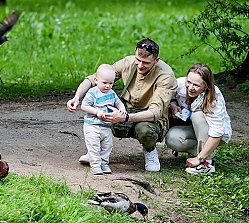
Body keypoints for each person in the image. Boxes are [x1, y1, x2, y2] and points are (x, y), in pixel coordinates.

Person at [67, 38, 177, 172]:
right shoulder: (128, 63)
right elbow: (95, 78)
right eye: (138, 60)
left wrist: (124, 118)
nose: (140, 65)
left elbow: (155, 113)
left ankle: (150, 150)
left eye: (146, 63)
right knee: (100, 114)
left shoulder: (165, 75)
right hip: (126, 108)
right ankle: (95, 152)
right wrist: (77, 97)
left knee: (145, 130)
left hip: (150, 116)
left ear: (156, 60)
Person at [165, 63, 232, 174]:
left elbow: (217, 132)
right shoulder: (179, 84)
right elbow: (168, 95)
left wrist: (199, 158)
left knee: (197, 115)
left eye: (196, 85)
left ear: (206, 86)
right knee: (172, 138)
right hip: (193, 128)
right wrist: (173, 104)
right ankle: (204, 152)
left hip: (214, 134)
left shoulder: (214, 97)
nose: (190, 87)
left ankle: (206, 163)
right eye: (189, 82)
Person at [80, 64, 126, 175]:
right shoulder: (92, 93)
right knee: (94, 146)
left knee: (107, 146)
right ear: (96, 80)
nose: (107, 86)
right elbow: (84, 106)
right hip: (92, 125)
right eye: (104, 83)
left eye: (111, 83)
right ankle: (95, 166)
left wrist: (122, 108)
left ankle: (104, 164)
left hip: (106, 126)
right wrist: (97, 112)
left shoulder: (112, 93)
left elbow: (118, 102)